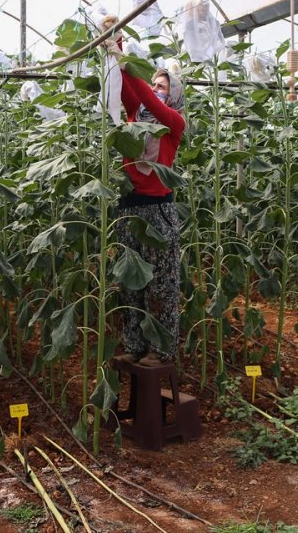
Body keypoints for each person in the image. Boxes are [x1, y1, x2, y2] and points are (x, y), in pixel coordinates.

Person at [103, 23, 186, 367]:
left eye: (163, 86)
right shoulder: (136, 116)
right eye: (154, 84)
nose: (156, 90)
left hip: (157, 210)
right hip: (130, 207)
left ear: (174, 94)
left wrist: (124, 58)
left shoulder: (174, 121)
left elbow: (146, 97)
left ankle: (163, 350)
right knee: (130, 283)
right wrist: (114, 42)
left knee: (163, 285)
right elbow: (128, 90)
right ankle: (135, 345)